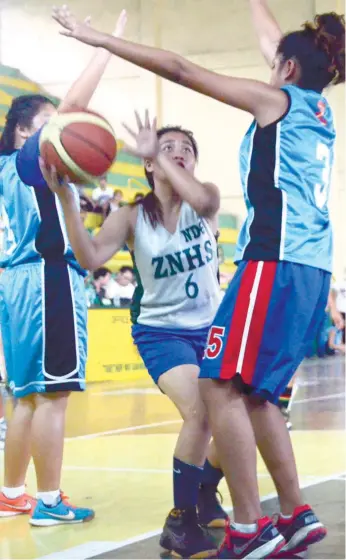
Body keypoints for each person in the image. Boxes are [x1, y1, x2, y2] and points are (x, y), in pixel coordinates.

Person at [51, 2, 345, 557]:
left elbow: (182, 70)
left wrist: (99, 41)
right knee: (255, 396)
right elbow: (273, 42)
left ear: (284, 69)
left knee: (219, 387)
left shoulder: (273, 102)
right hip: (310, 265)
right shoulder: (315, 108)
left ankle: (247, 527)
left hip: (276, 259)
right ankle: (296, 514)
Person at [41, 113, 227, 558]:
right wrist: (67, 199)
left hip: (213, 327)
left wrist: (161, 159)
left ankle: (203, 488)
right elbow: (89, 257)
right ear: (147, 164)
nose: (179, 152)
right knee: (199, 413)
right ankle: (180, 524)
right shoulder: (129, 216)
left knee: (240, 419)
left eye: (187, 148)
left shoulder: (208, 200)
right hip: (162, 333)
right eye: (168, 147)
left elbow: (200, 201)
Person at [0, 10, 127, 526]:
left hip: (17, 283)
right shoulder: (29, 160)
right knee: (54, 397)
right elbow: (75, 108)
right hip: (47, 278)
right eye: (50, 124)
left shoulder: (13, 170)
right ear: (27, 132)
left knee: (27, 398)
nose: (62, 130)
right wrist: (106, 46)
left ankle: (12, 493)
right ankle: (50, 502)